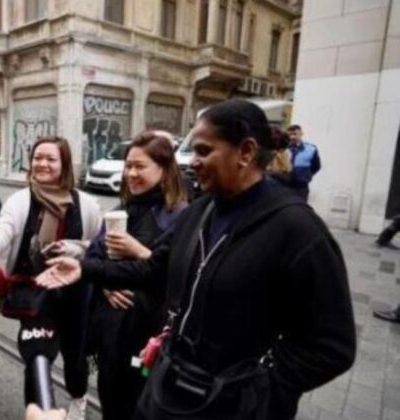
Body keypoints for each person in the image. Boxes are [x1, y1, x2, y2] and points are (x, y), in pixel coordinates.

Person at [37, 100, 356, 420]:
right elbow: (153, 269)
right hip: (172, 389)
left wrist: (260, 386)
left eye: (204, 151)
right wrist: (85, 268)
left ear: (245, 152)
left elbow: (332, 346)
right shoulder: (199, 213)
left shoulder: (298, 230)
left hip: (235, 407)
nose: (193, 162)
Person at [0, 136, 102, 420]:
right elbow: (4, 228)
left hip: (75, 294)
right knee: (36, 356)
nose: (42, 164)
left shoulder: (85, 203)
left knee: (75, 355)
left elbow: (99, 245)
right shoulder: (20, 200)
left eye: (50, 159)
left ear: (64, 164)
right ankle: (38, 411)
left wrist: (79, 248)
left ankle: (78, 399)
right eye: (37, 157)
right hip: (33, 294)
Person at [87, 131, 188, 420]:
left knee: (141, 407)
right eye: (128, 165)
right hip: (112, 333)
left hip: (150, 334)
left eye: (140, 166)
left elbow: (180, 275)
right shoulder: (121, 211)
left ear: (165, 169)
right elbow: (92, 257)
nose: (131, 173)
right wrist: (106, 284)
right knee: (111, 402)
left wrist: (140, 251)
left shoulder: (180, 216)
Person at [287, 124, 321, 200]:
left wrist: (305, 175)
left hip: (301, 187)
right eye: (290, 134)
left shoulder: (311, 149)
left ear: (301, 134)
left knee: (300, 209)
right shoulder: (283, 149)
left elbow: (316, 166)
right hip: (284, 186)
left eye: (295, 134)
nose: (292, 137)